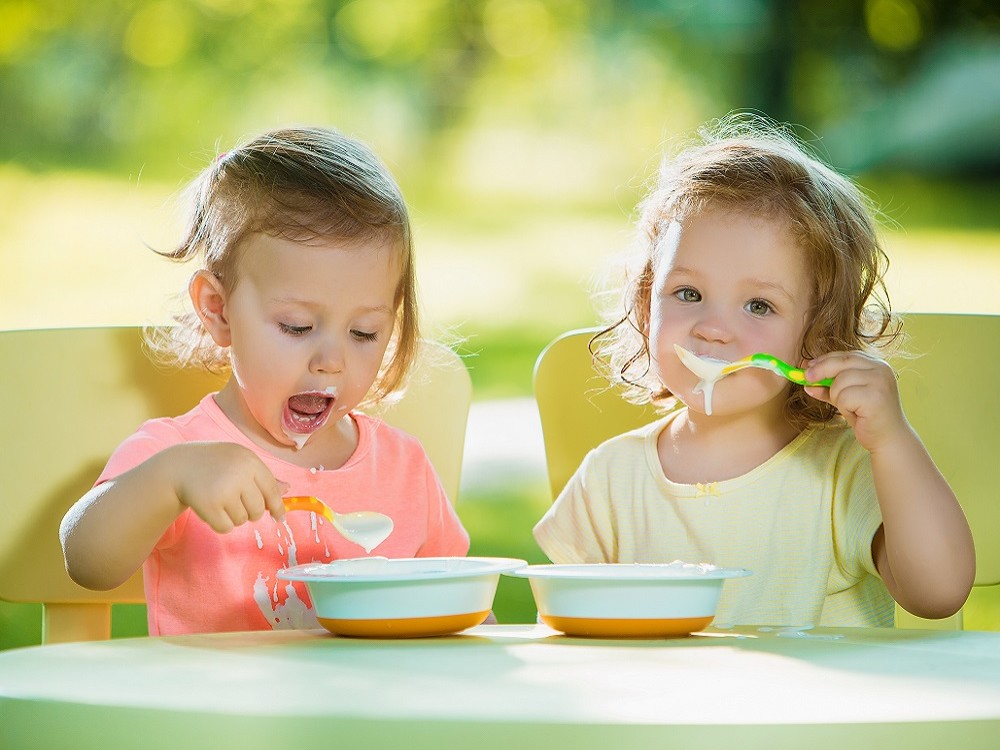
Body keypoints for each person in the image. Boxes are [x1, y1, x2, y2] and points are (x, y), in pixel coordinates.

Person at [534, 115, 975, 627]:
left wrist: (894, 441)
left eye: (759, 306)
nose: (714, 329)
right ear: (647, 304)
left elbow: (939, 594)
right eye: (688, 294)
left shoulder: (844, 469)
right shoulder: (610, 480)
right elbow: (569, 639)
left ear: (817, 334)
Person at [60, 127, 470, 635]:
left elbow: (460, 609)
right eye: (297, 326)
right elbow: (87, 560)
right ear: (219, 308)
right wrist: (170, 480)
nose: (331, 360)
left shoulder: (404, 468)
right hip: (215, 710)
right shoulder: (184, 452)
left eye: (364, 333)